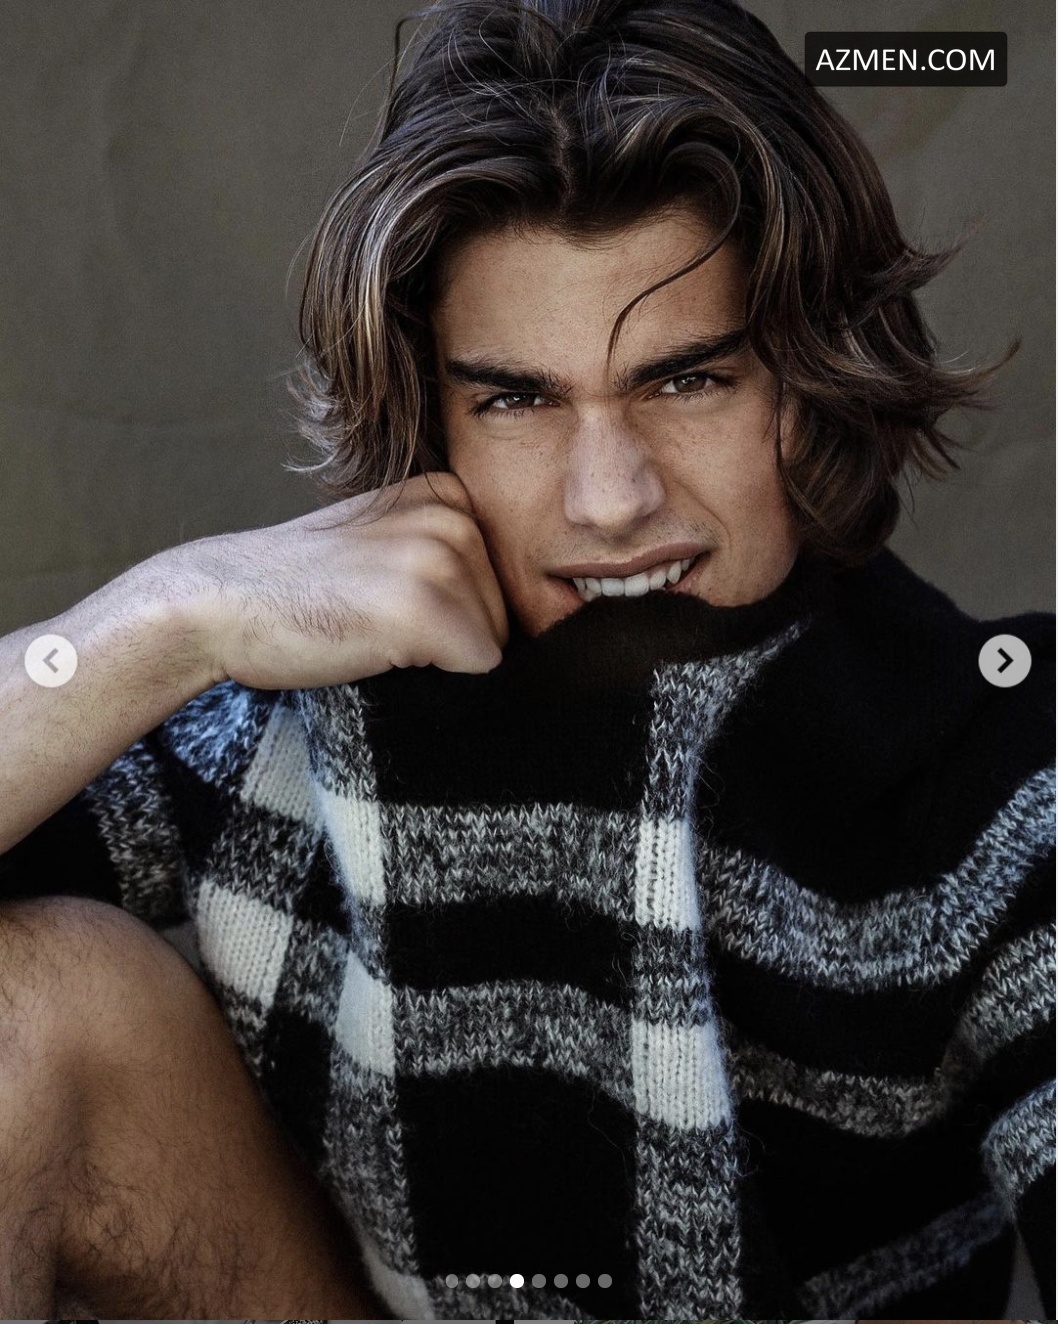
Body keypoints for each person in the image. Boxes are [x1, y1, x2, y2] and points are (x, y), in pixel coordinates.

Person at [0, 0, 1053, 1318]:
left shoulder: (992, 759)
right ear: (430, 412)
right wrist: (167, 616)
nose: (609, 500)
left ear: (813, 377)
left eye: (686, 381)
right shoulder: (302, 702)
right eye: (517, 399)